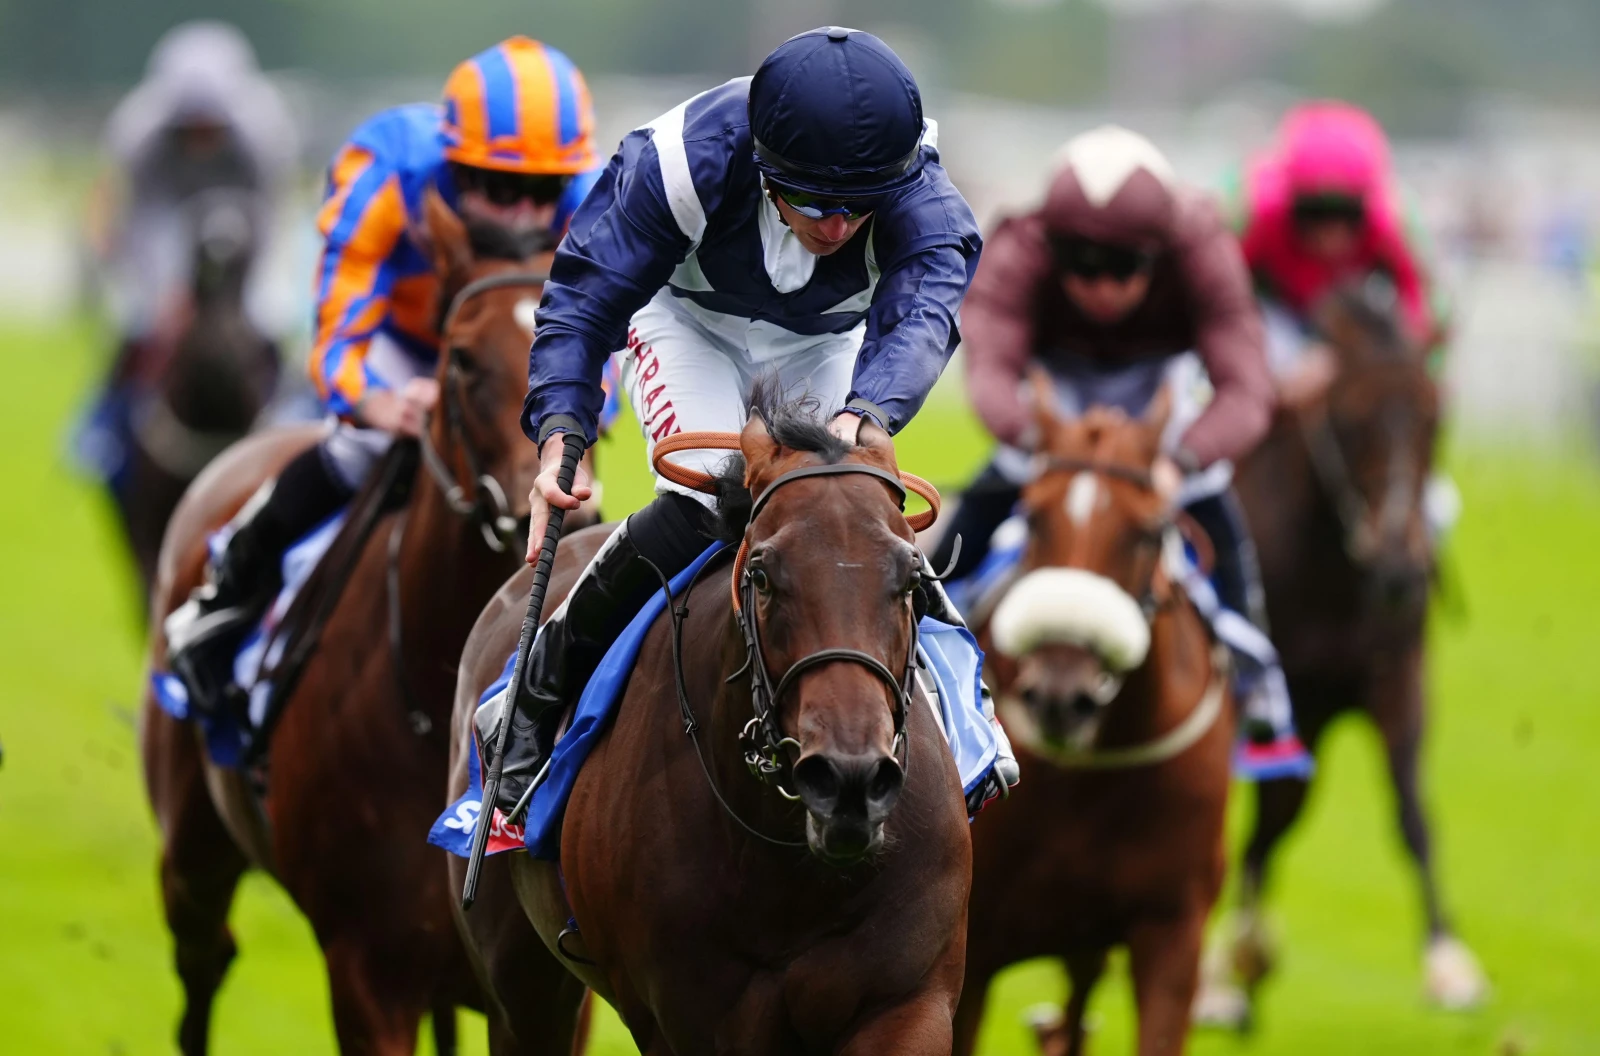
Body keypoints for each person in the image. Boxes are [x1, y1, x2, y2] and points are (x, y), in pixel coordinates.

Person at [481, 26, 1016, 818]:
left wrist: (868, 415)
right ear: (764, 169)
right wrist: (563, 433)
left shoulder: (924, 200)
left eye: (857, 206)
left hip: (826, 339)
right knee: (707, 503)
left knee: (854, 502)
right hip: (686, 323)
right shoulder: (680, 162)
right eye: (810, 202)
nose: (836, 227)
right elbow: (585, 297)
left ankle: (967, 715)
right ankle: (530, 696)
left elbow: (920, 321)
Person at [166, 37, 604, 709]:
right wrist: (373, 400)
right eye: (499, 187)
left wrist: (576, 418)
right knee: (356, 448)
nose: (521, 216)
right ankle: (222, 602)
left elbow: (616, 338)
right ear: (455, 167)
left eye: (541, 192)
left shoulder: (595, 196)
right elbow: (337, 330)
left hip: (519, 356)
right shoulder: (386, 167)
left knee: (582, 492)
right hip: (399, 345)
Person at [929, 124, 1307, 775]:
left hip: (1162, 399)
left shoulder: (1202, 246)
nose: (1101, 286)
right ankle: (933, 653)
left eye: (1125, 267)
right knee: (970, 532)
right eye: (1080, 264)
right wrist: (1036, 437)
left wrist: (1179, 461)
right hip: (1054, 408)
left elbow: (1247, 387)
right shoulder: (1021, 245)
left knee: (1220, 518)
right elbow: (990, 367)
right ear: (1054, 249)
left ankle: (1260, 692)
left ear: (1159, 254)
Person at [76, 22, 297, 487]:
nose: (200, 135)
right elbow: (136, 221)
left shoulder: (264, 134)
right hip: (165, 223)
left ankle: (291, 412)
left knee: (269, 319)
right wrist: (162, 297)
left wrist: (239, 294)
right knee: (136, 322)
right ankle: (103, 426)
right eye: (189, 125)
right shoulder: (137, 134)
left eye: (209, 124)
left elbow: (268, 217)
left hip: (240, 217)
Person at [1234, 100, 1459, 538]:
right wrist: (1261, 378)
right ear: (1290, 200)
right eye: (1313, 214)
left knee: (1430, 484)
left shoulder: (1395, 221)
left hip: (1351, 326)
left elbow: (1428, 314)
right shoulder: (1253, 212)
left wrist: (1415, 378)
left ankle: (1413, 533)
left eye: (1346, 217)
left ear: (1367, 207)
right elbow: (1223, 306)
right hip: (1277, 316)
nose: (1329, 234)